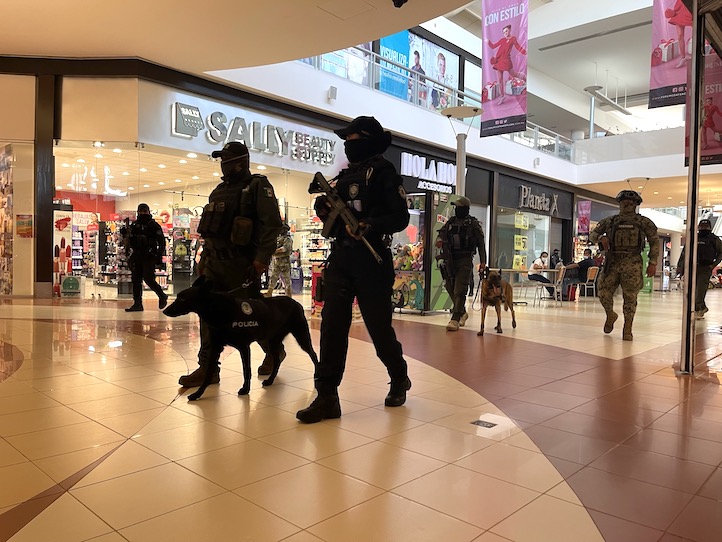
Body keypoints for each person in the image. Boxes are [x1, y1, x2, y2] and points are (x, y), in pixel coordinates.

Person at [296, 116, 411, 423]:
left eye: (353, 139)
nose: (348, 145)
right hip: (342, 258)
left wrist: (370, 224)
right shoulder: (345, 176)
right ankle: (327, 396)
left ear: (369, 140)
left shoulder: (384, 172)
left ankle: (399, 376)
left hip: (372, 260)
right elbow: (335, 219)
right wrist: (326, 212)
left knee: (378, 329)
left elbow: (400, 217)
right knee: (332, 327)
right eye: (346, 140)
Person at [178, 141, 283, 388]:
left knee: (249, 315)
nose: (223, 165)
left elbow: (272, 226)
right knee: (208, 311)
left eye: (227, 160)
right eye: (222, 160)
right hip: (214, 263)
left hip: (242, 264)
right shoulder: (218, 191)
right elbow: (211, 231)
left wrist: (261, 259)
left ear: (241, 162)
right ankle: (208, 368)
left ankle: (274, 350)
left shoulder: (257, 187)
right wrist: (204, 259)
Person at [589, 190, 659, 341]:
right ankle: (610, 314)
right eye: (624, 202)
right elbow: (592, 235)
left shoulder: (643, 222)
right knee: (603, 292)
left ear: (635, 204)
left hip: (633, 262)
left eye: (631, 202)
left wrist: (653, 262)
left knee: (630, 297)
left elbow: (654, 241)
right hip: (612, 261)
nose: (627, 204)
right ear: (619, 204)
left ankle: (628, 328)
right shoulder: (610, 221)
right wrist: (601, 238)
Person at [435, 196, 487, 331]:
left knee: (460, 289)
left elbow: (481, 244)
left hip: (465, 259)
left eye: (459, 207)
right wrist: (439, 240)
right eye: (456, 207)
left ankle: (455, 318)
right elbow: (441, 234)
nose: (457, 209)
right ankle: (462, 312)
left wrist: (483, 262)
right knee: (449, 287)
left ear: (466, 209)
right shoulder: (451, 222)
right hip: (450, 259)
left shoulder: (473, 224)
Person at [123, 203, 168, 312]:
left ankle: (162, 295)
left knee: (148, 279)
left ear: (148, 212)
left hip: (149, 255)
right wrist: (124, 233)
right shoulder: (134, 225)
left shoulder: (153, 225)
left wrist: (159, 256)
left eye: (144, 211)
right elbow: (129, 240)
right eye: (141, 211)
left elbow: (161, 242)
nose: (143, 213)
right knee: (136, 280)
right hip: (137, 254)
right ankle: (137, 303)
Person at [676, 219, 722, 318]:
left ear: (710, 228)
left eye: (705, 227)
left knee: (700, 291)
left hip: (705, 268)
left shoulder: (714, 239)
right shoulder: (693, 238)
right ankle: (700, 308)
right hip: (691, 267)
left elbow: (721, 252)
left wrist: (713, 265)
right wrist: (680, 267)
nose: (703, 229)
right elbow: (684, 253)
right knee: (691, 291)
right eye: (702, 227)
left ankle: (699, 309)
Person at [487, 24, 527, 105]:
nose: (505, 33)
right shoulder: (502, 40)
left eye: (506, 31)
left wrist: (524, 52)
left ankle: (524, 77)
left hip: (506, 60)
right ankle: (502, 96)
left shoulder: (513, 39)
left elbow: (517, 46)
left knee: (513, 74)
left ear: (509, 30)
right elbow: (493, 46)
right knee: (500, 79)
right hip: (499, 61)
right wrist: (488, 42)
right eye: (504, 32)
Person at [265, 224, 293, 297]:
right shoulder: (278, 238)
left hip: (284, 261)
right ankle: (269, 291)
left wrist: (273, 251)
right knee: (273, 277)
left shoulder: (287, 239)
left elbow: (284, 249)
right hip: (276, 260)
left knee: (286, 278)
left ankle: (288, 294)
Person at [665, 0, 693, 68]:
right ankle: (683, 57)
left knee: (696, 31)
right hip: (680, 9)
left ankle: (697, 53)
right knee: (680, 35)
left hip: (689, 8)